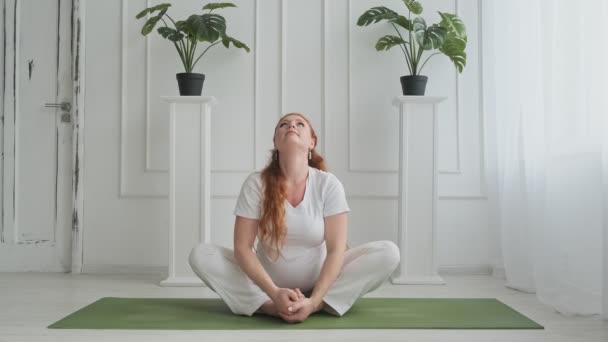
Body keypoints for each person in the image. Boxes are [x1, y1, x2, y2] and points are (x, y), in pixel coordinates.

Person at [189, 113, 400, 323]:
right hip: (266, 282)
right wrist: (273, 293)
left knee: (389, 253)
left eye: (300, 124)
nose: (291, 126)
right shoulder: (256, 183)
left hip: (320, 279)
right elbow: (242, 248)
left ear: (311, 142)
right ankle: (271, 307)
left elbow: (336, 249)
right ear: (275, 142)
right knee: (201, 254)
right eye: (284, 124)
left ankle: (315, 305)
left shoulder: (328, 184)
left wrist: (314, 299)